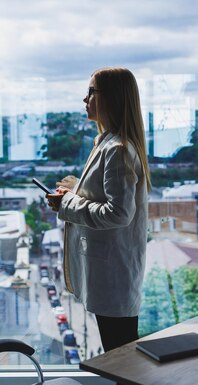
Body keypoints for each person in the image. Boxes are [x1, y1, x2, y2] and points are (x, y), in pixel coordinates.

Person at [46, 67, 151, 352]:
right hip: (109, 273)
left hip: (112, 277)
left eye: (92, 92)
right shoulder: (108, 145)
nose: (85, 99)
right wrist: (73, 191)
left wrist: (66, 203)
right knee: (121, 357)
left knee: (122, 361)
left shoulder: (116, 149)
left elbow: (117, 213)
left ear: (112, 98)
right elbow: (106, 196)